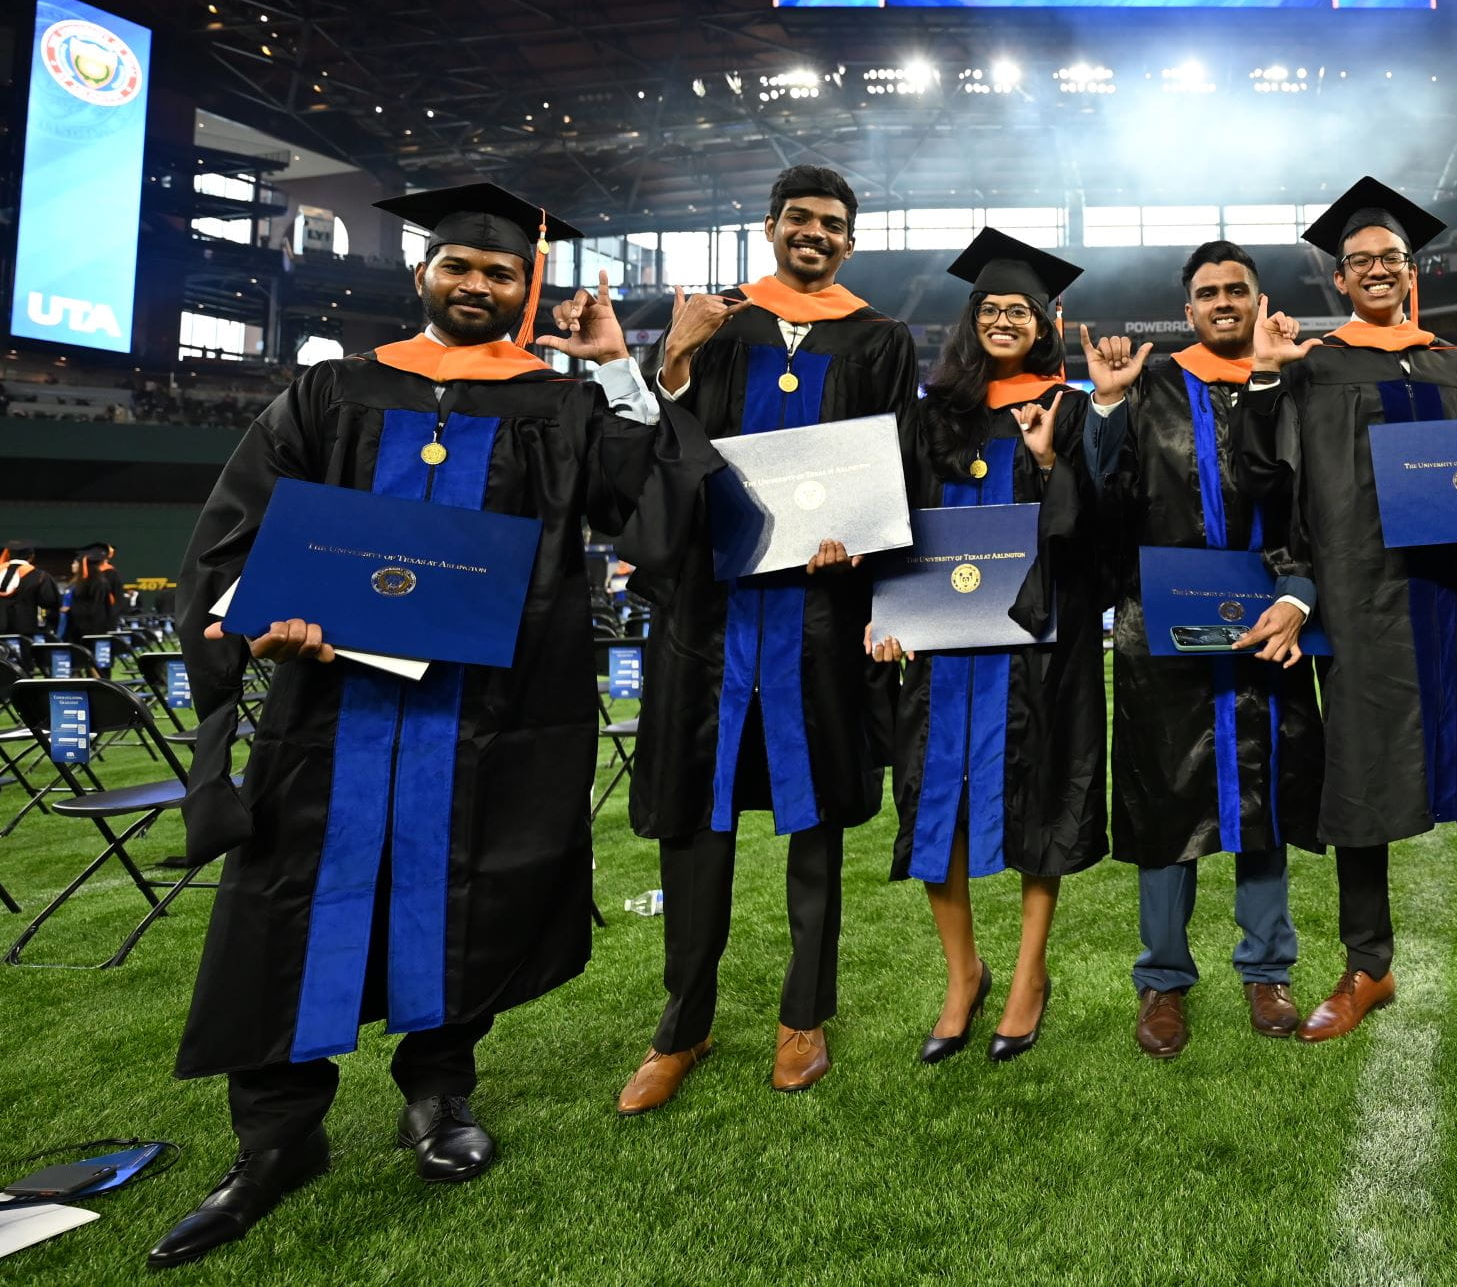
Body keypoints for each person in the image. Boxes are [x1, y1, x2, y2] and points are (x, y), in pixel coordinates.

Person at [151, 182, 704, 1268]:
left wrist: (609, 362)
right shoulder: (329, 393)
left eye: (500, 273)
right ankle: (276, 1138)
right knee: (286, 901)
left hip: (486, 714)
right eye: (460, 266)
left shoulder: (557, 403)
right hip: (330, 709)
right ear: (423, 274)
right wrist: (258, 621)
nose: (478, 286)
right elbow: (235, 533)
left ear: (525, 287)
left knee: (465, 885)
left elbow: (647, 509)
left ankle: (438, 1098)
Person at [1237, 178, 1457, 1058]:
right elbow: (1269, 486)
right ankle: (1368, 966)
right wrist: (1268, 375)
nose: (1377, 271)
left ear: (1411, 269)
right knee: (1360, 786)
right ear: (1341, 281)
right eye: (1360, 262)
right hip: (1362, 606)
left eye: (1391, 257)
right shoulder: (1312, 368)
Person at [614, 166, 918, 1115]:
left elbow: (893, 465)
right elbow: (654, 458)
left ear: (850, 241)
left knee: (815, 828)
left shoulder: (878, 338)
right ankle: (683, 1025)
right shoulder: (720, 326)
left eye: (832, 225)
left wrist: (861, 542)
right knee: (696, 827)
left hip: (817, 621)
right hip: (709, 621)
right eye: (800, 220)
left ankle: (803, 1017)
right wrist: (674, 361)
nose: (815, 236)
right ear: (772, 228)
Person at [1079, 241, 1325, 1058]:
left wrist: (1301, 592)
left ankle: (1267, 969)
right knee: (1165, 804)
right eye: (1208, 292)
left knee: (1265, 799)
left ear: (1259, 302)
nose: (1223, 301)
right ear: (1187, 309)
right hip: (1163, 629)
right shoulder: (1145, 387)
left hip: (1273, 619)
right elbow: (1105, 503)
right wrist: (1105, 410)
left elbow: (1317, 504)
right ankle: (1162, 982)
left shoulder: (1293, 379)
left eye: (1237, 290)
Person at [872, 229, 1106, 1064]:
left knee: (1041, 790)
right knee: (938, 794)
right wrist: (882, 610)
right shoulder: (936, 414)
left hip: (1039, 641)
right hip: (941, 638)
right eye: (990, 308)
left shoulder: (1072, 409)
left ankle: (1028, 976)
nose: (1005, 319)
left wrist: (1049, 466)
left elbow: (1100, 532)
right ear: (970, 321)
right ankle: (961, 973)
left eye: (1021, 309)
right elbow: (896, 522)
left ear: (1047, 322)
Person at [0, 541, 61, 643]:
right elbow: (50, 602)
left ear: (9, 555)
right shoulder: (40, 577)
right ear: (31, 556)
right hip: (27, 633)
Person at [65, 543, 121, 639]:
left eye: (75, 563)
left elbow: (101, 606)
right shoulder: (82, 581)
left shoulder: (105, 577)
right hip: (82, 628)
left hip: (94, 628)